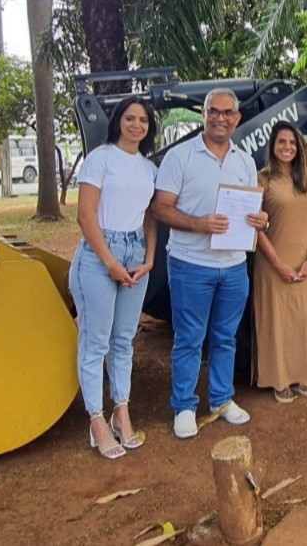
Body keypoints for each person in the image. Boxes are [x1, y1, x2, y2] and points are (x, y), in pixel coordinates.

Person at [152, 88, 269, 439]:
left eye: (227, 112)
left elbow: (250, 209)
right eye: (213, 111)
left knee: (226, 337)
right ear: (204, 115)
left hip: (233, 265)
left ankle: (221, 399)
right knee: (189, 337)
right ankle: (184, 405)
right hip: (191, 263)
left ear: (237, 119)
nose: (220, 117)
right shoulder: (180, 156)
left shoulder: (245, 161)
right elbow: (161, 208)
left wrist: (260, 220)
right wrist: (199, 224)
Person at [69, 96, 158, 459]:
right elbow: (85, 216)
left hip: (135, 253)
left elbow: (150, 216)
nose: (136, 124)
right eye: (130, 118)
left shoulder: (149, 169)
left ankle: (121, 410)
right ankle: (96, 420)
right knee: (96, 342)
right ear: (118, 121)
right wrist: (109, 262)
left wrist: (150, 258)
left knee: (124, 339)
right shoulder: (100, 159)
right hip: (97, 256)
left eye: (143, 120)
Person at [253, 121, 307, 402]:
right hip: (272, 261)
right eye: (281, 142)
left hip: (305, 259)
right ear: (272, 146)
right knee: (276, 321)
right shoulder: (262, 179)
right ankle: (278, 380)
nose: (287, 147)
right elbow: (255, 228)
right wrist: (277, 263)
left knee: (305, 320)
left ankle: (305, 376)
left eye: (292, 142)